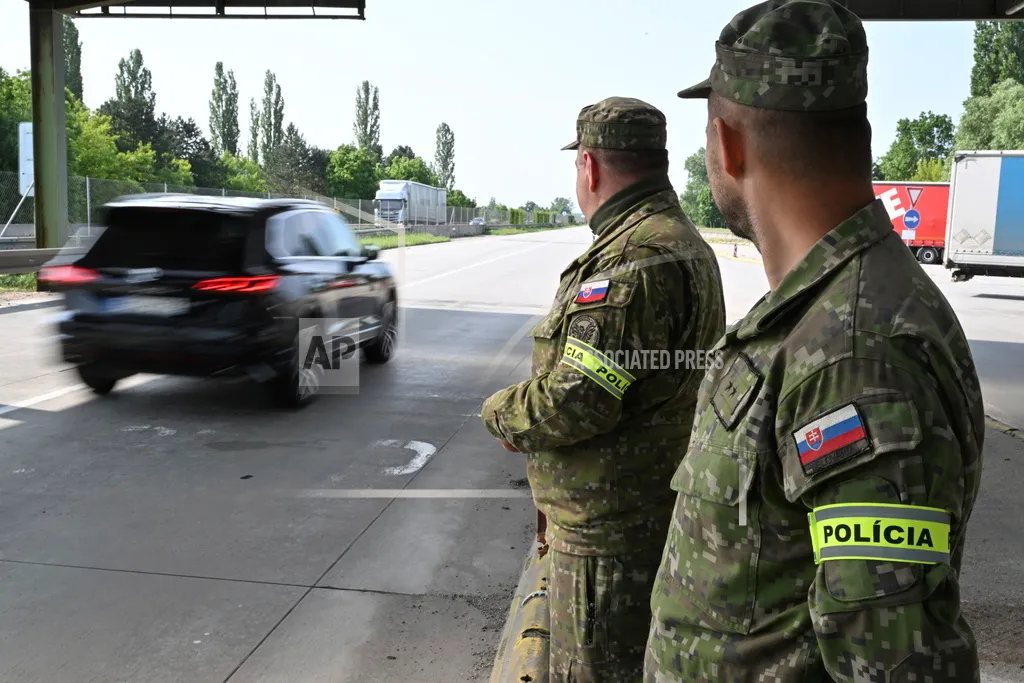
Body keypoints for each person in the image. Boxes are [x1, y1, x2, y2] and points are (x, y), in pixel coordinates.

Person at [644, 2, 986, 682]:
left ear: (728, 144)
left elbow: (893, 662)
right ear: (859, 135)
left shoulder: (855, 352)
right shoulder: (821, 317)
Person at [480, 96, 726, 682]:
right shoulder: (678, 241)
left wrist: (501, 412)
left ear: (589, 165)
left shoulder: (633, 258)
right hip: (642, 516)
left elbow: (578, 400)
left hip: (610, 540)